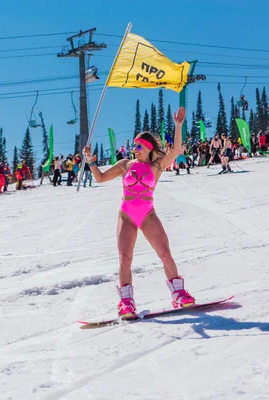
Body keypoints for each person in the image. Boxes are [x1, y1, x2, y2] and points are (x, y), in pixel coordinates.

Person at [83, 106, 195, 318]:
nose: (135, 149)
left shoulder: (157, 166)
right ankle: (126, 302)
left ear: (149, 148)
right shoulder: (125, 165)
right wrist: (90, 161)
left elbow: (175, 150)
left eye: (139, 146)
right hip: (126, 216)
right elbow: (100, 178)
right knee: (125, 258)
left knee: (165, 254)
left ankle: (179, 293)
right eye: (134, 145)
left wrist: (178, 126)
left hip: (147, 215)